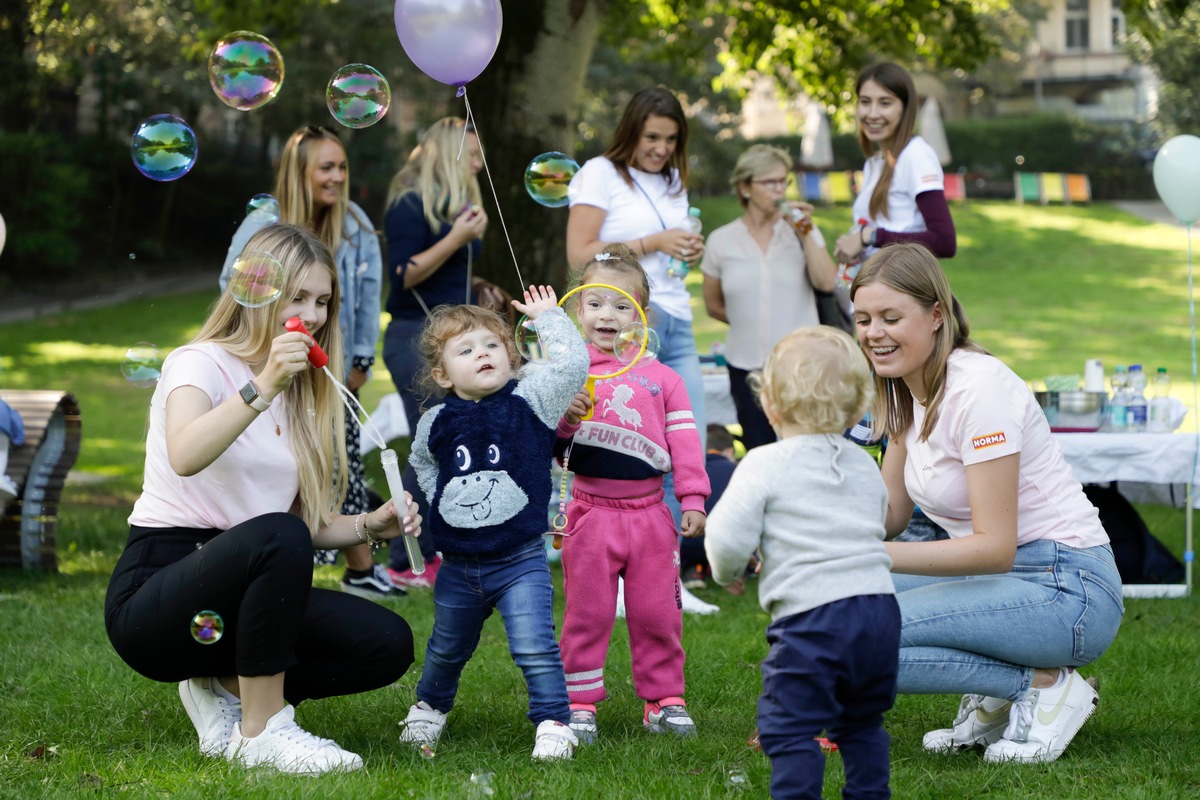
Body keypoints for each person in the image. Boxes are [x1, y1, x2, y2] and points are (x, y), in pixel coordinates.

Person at [106, 224, 421, 775]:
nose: (315, 314)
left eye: (323, 300)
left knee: (386, 642)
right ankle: (265, 731)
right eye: (298, 297)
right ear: (256, 292)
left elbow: (307, 528)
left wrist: (373, 525)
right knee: (277, 533)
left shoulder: (299, 393)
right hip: (159, 592)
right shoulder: (198, 362)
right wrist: (263, 385)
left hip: (244, 591)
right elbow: (185, 453)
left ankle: (220, 686)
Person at [850, 242, 1124, 764]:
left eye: (890, 317)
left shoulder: (978, 389)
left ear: (936, 315)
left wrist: (867, 556)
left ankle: (1040, 685)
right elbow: (889, 516)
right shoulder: (906, 389)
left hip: (1067, 588)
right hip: (996, 581)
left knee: (855, 635)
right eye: (863, 319)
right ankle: (1001, 698)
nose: (873, 334)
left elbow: (994, 548)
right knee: (823, 605)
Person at [706, 325, 899, 800]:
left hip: (815, 620)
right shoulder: (863, 466)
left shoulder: (765, 462)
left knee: (787, 727)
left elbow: (726, 539)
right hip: (879, 614)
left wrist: (728, 572)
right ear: (857, 410)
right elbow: (874, 519)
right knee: (862, 723)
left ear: (768, 405)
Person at [396, 286, 588, 760]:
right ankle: (429, 708)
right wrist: (437, 502)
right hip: (458, 565)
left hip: (520, 558)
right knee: (445, 647)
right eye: (466, 349)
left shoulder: (532, 399)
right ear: (442, 373)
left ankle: (553, 721)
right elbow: (423, 465)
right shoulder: (434, 421)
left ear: (510, 355)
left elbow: (572, 365)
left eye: (492, 345)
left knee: (534, 646)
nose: (482, 353)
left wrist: (549, 318)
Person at [217, 125, 393, 599]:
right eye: (326, 167)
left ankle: (353, 568)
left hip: (330, 370)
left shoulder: (353, 225)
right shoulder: (263, 225)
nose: (337, 177)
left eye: (342, 167)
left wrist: (360, 360)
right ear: (300, 173)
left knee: (339, 460)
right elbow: (232, 286)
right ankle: (290, 570)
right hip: (273, 364)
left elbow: (366, 300)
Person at [554, 245, 710, 744]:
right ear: (578, 309)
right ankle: (578, 702)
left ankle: (664, 700)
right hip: (590, 514)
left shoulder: (664, 379)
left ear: (644, 314)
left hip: (649, 515)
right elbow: (549, 448)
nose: (608, 314)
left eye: (623, 305)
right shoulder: (566, 375)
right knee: (587, 613)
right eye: (596, 302)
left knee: (657, 612)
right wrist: (565, 415)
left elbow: (685, 443)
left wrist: (692, 500)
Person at [566, 87, 709, 518]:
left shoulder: (673, 180)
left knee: (685, 439)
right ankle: (604, 535)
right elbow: (579, 252)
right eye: (652, 137)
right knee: (633, 442)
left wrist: (683, 250)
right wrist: (654, 241)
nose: (661, 149)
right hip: (624, 325)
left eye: (670, 140)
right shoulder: (600, 173)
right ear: (632, 131)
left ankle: (668, 561)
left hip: (675, 318)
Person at [382, 116, 506, 589]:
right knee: (429, 443)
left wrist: (477, 287)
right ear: (448, 154)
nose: (478, 163)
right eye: (471, 155)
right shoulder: (409, 202)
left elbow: (439, 277)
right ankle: (405, 558)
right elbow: (404, 274)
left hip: (446, 332)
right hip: (414, 336)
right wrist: (457, 238)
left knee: (447, 439)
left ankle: (441, 546)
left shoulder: (449, 205)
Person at [701, 144, 837, 450]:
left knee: (808, 448)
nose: (780, 190)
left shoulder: (801, 229)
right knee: (759, 451)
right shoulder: (721, 240)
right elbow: (713, 305)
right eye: (770, 182)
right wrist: (749, 320)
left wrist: (807, 232)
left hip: (801, 364)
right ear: (745, 187)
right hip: (745, 365)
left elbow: (827, 281)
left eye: (783, 181)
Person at [833, 61, 957, 270]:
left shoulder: (915, 155)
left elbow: (944, 241)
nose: (872, 114)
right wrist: (853, 243)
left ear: (905, 108)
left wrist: (869, 236)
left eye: (885, 103)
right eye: (865, 102)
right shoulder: (875, 162)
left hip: (900, 293)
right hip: (874, 290)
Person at [680, 423, 738, 589]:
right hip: (726, 544)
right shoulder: (737, 471)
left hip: (689, 543)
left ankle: (695, 570)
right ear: (730, 451)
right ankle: (733, 571)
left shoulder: (688, 472)